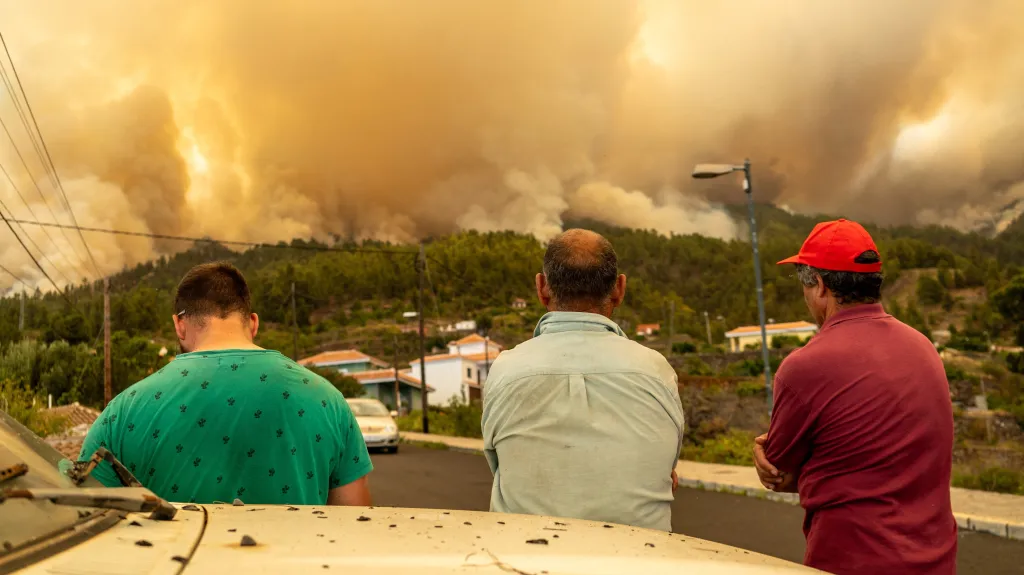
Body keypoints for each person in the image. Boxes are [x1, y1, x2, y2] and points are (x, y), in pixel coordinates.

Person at [76, 262, 372, 506]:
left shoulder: (121, 413)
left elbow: (83, 526)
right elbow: (355, 529)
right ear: (253, 324)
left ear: (179, 325)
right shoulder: (327, 400)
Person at [754, 219, 956, 574]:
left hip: (853, 561)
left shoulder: (804, 366)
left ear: (818, 285)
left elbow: (779, 474)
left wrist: (763, 452)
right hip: (936, 561)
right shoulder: (923, 347)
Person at [482, 228, 684, 531]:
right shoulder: (656, 370)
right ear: (619, 289)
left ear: (542, 288)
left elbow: (501, 465)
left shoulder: (506, 369)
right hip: (641, 560)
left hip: (524, 558)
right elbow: (666, 472)